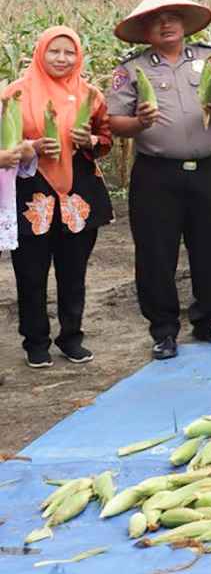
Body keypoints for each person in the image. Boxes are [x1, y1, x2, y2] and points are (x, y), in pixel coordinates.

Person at [107, 0, 211, 360]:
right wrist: (138, 122)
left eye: (172, 17)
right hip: (155, 174)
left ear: (184, 24)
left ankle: (208, 320)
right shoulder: (131, 69)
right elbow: (113, 121)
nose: (165, 24)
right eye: (156, 19)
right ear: (145, 29)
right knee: (156, 253)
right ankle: (164, 330)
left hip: (206, 171)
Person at [6, 28, 108, 368]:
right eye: (54, 51)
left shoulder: (90, 95)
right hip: (31, 194)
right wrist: (29, 147)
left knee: (73, 271)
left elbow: (105, 137)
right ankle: (35, 341)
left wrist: (90, 139)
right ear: (40, 52)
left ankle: (71, 337)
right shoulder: (14, 95)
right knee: (31, 273)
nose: (62, 59)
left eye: (69, 52)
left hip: (77, 196)